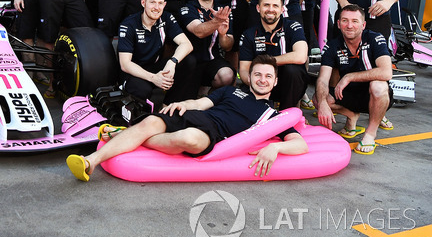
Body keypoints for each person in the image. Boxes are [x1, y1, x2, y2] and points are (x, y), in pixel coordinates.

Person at [66, 54, 308, 181]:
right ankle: (90, 161)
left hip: (212, 135)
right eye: (258, 74)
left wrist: (275, 151)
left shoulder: (273, 116)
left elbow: (300, 144)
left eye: (268, 76)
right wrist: (181, 103)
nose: (262, 79)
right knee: (151, 121)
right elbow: (201, 103)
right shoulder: (230, 90)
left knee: (189, 139)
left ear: (275, 82)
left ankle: (122, 134)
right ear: (249, 76)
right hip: (197, 116)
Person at [314, 5, 394, 155]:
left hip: (373, 94)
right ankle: (352, 116)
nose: (349, 25)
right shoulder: (332, 46)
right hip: (347, 94)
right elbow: (322, 79)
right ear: (338, 24)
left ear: (363, 25)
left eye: (355, 21)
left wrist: (349, 77)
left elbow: (386, 72)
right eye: (345, 21)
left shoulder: (375, 38)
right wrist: (323, 103)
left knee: (379, 86)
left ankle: (370, 134)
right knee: (318, 99)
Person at [117, 0, 196, 109]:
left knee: (189, 61)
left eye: (160, 3)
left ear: (164, 5)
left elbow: (187, 44)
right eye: (152, 2)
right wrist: (154, 78)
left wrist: (172, 62)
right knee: (142, 90)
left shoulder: (166, 18)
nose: (156, 8)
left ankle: (169, 105)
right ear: (143, 3)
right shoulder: (129, 24)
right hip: (133, 72)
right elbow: (125, 64)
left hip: (154, 67)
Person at [238, 0, 309, 110]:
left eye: (275, 6)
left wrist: (266, 62)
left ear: (282, 9)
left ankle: (287, 116)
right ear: (258, 8)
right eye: (266, 5)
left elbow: (301, 56)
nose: (271, 9)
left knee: (292, 71)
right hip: (260, 84)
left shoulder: (293, 27)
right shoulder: (249, 34)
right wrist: (257, 83)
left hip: (287, 85)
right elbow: (244, 70)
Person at [177, 0, 235, 93]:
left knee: (227, 75)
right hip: (190, 63)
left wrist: (223, 35)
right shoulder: (187, 8)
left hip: (212, 61)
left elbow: (228, 47)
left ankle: (210, 97)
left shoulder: (223, 10)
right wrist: (217, 21)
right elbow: (198, 31)